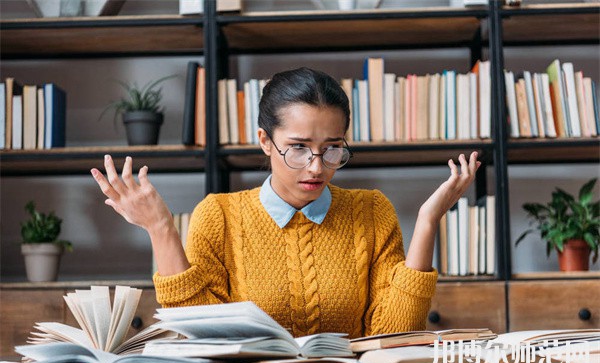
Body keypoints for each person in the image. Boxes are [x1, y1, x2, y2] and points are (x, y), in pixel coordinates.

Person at [91, 67, 480, 339]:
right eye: (298, 148)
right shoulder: (220, 215)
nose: (316, 167)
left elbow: (392, 335)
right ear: (265, 140)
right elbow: (197, 334)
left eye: (332, 150)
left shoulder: (372, 212)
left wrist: (428, 220)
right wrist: (160, 228)